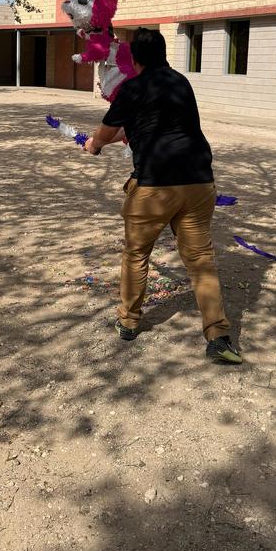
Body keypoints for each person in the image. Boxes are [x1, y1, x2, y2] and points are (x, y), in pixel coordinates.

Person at [84, 28, 242, 364]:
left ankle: (129, 322)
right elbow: (147, 124)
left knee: (136, 254)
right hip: (198, 183)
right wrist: (119, 135)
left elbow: (107, 131)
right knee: (201, 261)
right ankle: (218, 336)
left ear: (134, 60)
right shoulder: (180, 83)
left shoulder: (134, 87)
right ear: (164, 53)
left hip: (155, 187)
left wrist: (94, 144)